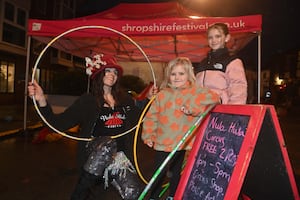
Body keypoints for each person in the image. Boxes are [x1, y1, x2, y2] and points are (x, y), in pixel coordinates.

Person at [28, 54, 156, 200]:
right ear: (99, 73)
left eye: (115, 72)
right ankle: (79, 194)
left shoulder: (124, 100)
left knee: (133, 191)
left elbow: (138, 118)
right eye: (108, 71)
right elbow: (58, 124)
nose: (111, 75)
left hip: (117, 158)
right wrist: (41, 99)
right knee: (107, 144)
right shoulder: (87, 101)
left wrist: (148, 100)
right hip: (94, 153)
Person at [141, 57, 220, 200]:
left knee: (177, 172)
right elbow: (151, 116)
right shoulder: (162, 94)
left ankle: (173, 196)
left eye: (181, 74)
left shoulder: (196, 92)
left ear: (189, 74)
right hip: (162, 140)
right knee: (158, 172)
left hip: (181, 142)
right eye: (173, 74)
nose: (177, 77)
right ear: (168, 75)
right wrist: (148, 135)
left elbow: (215, 99)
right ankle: (153, 196)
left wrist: (193, 109)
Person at [194, 22, 248, 104]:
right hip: (201, 111)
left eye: (218, 36)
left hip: (222, 111)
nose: (214, 40)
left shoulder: (233, 61)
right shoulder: (203, 63)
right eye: (210, 37)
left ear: (227, 38)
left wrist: (232, 113)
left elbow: (239, 90)